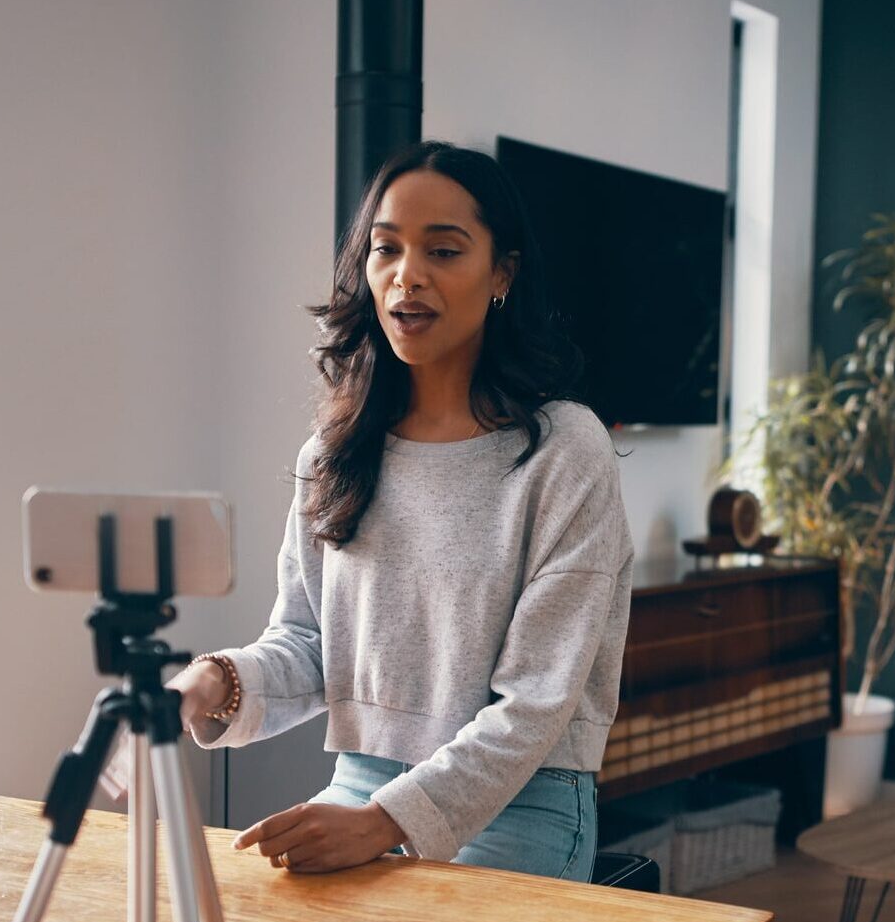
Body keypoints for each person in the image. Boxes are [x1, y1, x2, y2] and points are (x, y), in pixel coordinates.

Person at [167, 140, 634, 881]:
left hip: (524, 801)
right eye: (385, 250)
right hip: (360, 784)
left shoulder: (563, 448)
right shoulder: (333, 451)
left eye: (443, 251)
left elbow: (538, 703)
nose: (406, 276)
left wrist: (385, 825)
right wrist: (212, 683)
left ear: (501, 273)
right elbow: (308, 643)